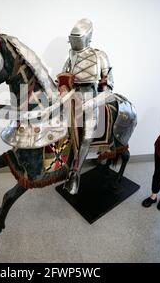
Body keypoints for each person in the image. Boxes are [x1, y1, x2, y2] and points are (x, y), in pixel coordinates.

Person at [60, 18, 114, 195]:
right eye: (72, 37)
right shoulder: (70, 56)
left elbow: (109, 90)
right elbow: (62, 78)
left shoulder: (100, 56)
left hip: (92, 97)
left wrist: (90, 103)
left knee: (87, 136)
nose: (74, 41)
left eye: (78, 37)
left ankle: (75, 173)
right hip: (71, 97)